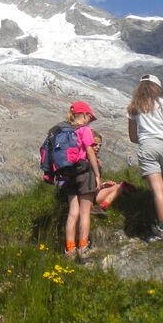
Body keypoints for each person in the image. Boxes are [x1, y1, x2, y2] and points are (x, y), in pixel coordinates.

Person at [127, 74, 163, 241]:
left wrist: (144, 139)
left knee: (158, 189)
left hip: (147, 146)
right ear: (157, 88)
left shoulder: (133, 107)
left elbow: (132, 138)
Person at [58, 102, 101, 261]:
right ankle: (83, 247)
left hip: (68, 175)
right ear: (84, 115)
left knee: (72, 213)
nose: (90, 119)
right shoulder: (85, 130)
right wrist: (97, 174)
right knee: (84, 213)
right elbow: (90, 151)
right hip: (84, 173)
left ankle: (69, 249)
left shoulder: (64, 130)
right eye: (90, 116)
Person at [89, 129, 134, 215]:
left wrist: (103, 185)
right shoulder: (89, 161)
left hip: (92, 193)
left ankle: (101, 207)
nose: (98, 147)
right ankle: (101, 207)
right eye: (95, 144)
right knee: (119, 187)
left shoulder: (95, 161)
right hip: (90, 195)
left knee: (118, 186)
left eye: (100, 145)